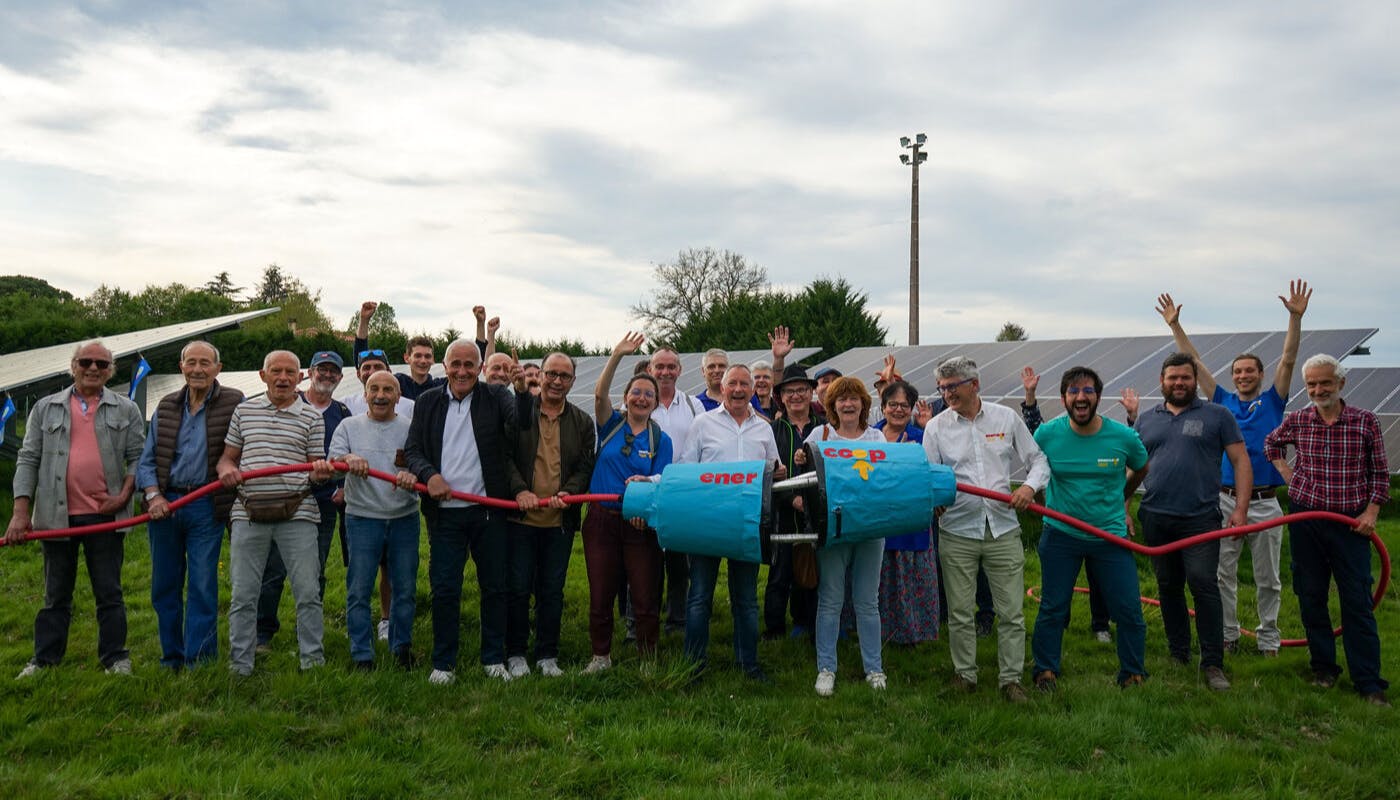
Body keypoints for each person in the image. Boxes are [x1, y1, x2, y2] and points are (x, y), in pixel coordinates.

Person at [1157, 280, 1311, 656]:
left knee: (1268, 577)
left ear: (1260, 375)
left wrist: (1295, 319)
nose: (1243, 375)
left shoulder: (1274, 401)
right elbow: (1194, 364)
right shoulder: (1222, 402)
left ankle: (1269, 638)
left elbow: (1289, 359)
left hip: (1265, 502)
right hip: (1223, 502)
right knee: (1222, 573)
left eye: (1250, 371)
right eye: (1238, 371)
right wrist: (1175, 326)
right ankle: (1227, 635)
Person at [8, 341, 145, 678]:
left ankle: (115, 659)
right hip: (56, 517)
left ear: (110, 370)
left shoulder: (126, 408)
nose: (94, 368)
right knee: (55, 594)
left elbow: (138, 457)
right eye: (87, 362)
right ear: (74, 365)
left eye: (102, 364)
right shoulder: (46, 408)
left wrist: (124, 496)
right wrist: (20, 512)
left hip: (105, 515)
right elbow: (28, 458)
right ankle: (44, 660)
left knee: (109, 592)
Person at [1265, 354, 1390, 706]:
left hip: (1351, 524)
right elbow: (1270, 444)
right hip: (1306, 519)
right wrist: (1288, 475)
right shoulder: (1300, 420)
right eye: (1312, 385)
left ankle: (1368, 682)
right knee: (1311, 596)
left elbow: (1380, 474)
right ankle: (1323, 668)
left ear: (1341, 384)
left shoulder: (1364, 422)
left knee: (1357, 601)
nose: (1318, 390)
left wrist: (1372, 511)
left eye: (1325, 383)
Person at [923, 356, 1049, 703]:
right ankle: (965, 675)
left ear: (974, 385)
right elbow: (930, 475)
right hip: (957, 529)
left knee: (1011, 611)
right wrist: (935, 498)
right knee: (960, 612)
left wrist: (1028, 487)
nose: (947, 393)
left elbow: (1037, 460)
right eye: (943, 387)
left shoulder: (1005, 418)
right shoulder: (936, 428)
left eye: (953, 386)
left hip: (1002, 527)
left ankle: (1011, 680)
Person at [404, 338, 523, 684]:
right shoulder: (427, 402)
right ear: (444, 367)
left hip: (488, 512)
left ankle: (493, 658)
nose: (462, 371)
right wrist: (431, 475)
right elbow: (412, 450)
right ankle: (443, 663)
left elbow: (522, 426)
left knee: (494, 587)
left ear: (480, 369)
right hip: (444, 513)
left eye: (469, 364)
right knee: (444, 588)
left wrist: (522, 392)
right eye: (455, 364)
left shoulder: (497, 397)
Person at [1135, 352, 1251, 691]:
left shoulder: (1218, 415)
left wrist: (1240, 509)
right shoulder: (1146, 419)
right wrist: (1123, 505)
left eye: (1185, 377)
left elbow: (1240, 460)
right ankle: (1179, 653)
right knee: (1168, 585)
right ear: (1162, 381)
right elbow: (1133, 468)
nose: (1179, 383)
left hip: (1200, 518)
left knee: (1203, 583)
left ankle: (1213, 663)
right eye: (1172, 378)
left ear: (1195, 380)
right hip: (1156, 516)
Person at [1030, 366, 1151, 690]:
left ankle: (1132, 672)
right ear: (1063, 398)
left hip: (1109, 535)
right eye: (1073, 391)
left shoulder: (1122, 437)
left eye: (1088, 391)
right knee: (1053, 607)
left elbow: (1141, 468)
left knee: (1128, 608)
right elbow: (1036, 472)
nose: (1081, 397)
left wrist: (1121, 498)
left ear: (1098, 396)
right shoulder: (1047, 435)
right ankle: (1045, 671)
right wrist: (1045, 506)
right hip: (1060, 535)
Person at [218, 350, 336, 676]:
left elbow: (314, 467)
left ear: (300, 378)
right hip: (248, 511)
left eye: (290, 372)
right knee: (243, 593)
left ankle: (312, 662)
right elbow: (227, 458)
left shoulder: (312, 417)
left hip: (298, 510)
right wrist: (227, 470)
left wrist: (321, 472)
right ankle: (240, 665)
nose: (283, 378)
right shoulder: (244, 411)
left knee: (308, 591)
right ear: (263, 375)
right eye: (276, 371)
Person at [137, 340, 244, 670]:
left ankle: (199, 659)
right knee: (164, 584)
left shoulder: (234, 402)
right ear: (181, 367)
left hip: (205, 503)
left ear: (218, 368)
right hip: (166, 503)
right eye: (191, 363)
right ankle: (171, 656)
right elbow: (147, 461)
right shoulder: (167, 406)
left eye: (205, 363)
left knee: (201, 583)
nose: (198, 369)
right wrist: (153, 496)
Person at [680, 364, 785, 683]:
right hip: (708, 521)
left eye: (744, 384)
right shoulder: (702, 423)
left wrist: (777, 472)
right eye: (733, 384)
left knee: (746, 599)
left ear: (753, 390)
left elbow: (774, 467)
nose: (738, 390)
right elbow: (687, 468)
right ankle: (694, 664)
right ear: (722, 388)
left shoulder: (763, 428)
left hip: (747, 521)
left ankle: (748, 664)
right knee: (699, 597)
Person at [582, 332, 674, 673]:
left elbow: (660, 481)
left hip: (639, 524)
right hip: (601, 520)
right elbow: (598, 393)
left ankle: (647, 659)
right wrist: (617, 355)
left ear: (654, 402)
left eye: (648, 395)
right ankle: (600, 656)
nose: (642, 398)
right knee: (601, 593)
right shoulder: (610, 424)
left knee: (646, 596)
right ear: (626, 397)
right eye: (636, 392)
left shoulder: (659, 439)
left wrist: (642, 509)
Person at [504, 352, 597, 678]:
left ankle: (547, 654)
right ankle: (515, 653)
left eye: (564, 376)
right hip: (521, 518)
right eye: (551, 374)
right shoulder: (520, 413)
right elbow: (505, 457)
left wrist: (569, 493)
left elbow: (586, 464)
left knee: (552, 590)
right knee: (517, 588)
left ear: (573, 381)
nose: (557, 381)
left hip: (559, 520)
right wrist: (519, 491)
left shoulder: (582, 421)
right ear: (540, 375)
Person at [256, 349, 350, 651]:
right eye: (321, 369)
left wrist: (343, 486)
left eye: (333, 371)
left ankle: (308, 633)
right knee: (273, 569)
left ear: (340, 377)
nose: (326, 375)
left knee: (315, 570)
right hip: (283, 497)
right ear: (308, 373)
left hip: (322, 502)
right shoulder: (289, 403)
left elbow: (350, 449)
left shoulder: (343, 413)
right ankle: (262, 633)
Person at [328, 371, 421, 671]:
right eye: (374, 389)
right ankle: (361, 654)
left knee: (404, 587)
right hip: (362, 518)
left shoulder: (412, 429)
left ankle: (401, 648)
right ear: (365, 394)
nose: (380, 395)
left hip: (403, 518)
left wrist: (414, 475)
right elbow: (332, 468)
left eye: (388, 390)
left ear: (398, 396)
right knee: (359, 587)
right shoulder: (348, 426)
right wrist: (347, 460)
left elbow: (424, 463)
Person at [803, 376, 887, 696]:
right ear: (832, 405)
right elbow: (807, 477)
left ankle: (874, 668)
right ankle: (826, 668)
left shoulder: (877, 437)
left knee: (867, 601)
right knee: (830, 600)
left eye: (854, 398)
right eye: (842, 399)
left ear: (864, 404)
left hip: (869, 529)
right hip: (834, 529)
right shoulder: (819, 434)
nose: (848, 404)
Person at [872, 380, 939, 646]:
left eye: (904, 405)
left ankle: (914, 634)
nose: (898, 410)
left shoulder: (922, 437)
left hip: (911, 518)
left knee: (910, 577)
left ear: (911, 408)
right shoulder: (870, 436)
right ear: (883, 407)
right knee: (880, 576)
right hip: (878, 517)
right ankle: (878, 633)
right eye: (892, 404)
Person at [647, 346, 708, 635]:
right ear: (650, 369)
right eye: (660, 366)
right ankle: (643, 621)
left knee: (679, 564)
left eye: (671, 366)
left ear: (680, 370)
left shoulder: (694, 405)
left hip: (683, 492)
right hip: (648, 490)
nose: (666, 372)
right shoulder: (639, 401)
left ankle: (677, 621)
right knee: (646, 561)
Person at [766, 365, 824, 640]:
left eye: (802, 389)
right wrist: (791, 498)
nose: (796, 395)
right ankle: (775, 629)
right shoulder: (773, 429)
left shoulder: (824, 426)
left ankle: (810, 623)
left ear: (811, 392)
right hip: (783, 509)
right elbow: (768, 470)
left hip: (819, 508)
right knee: (781, 571)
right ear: (782, 396)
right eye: (790, 391)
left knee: (815, 569)